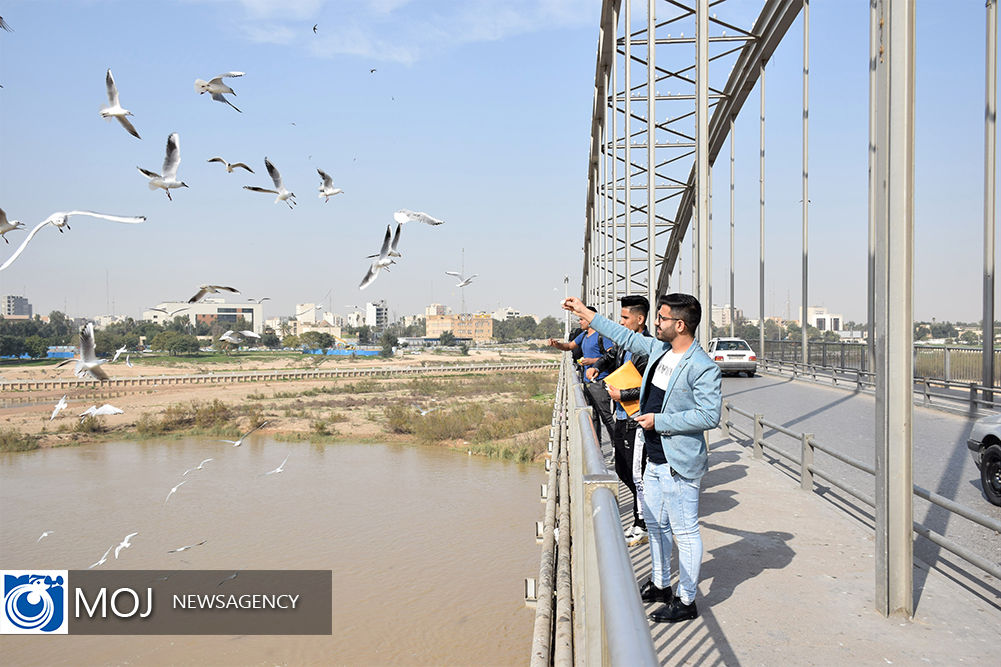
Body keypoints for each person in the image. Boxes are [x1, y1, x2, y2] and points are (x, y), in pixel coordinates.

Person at [562, 292, 721, 624]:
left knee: (685, 530)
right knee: (656, 524)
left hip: (678, 461)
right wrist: (585, 314)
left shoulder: (702, 367)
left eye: (662, 318)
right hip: (653, 454)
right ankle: (662, 584)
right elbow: (624, 336)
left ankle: (687, 600)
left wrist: (659, 422)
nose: (656, 322)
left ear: (679, 324)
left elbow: (709, 416)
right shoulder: (661, 351)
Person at [585, 295, 652, 543]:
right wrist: (597, 366)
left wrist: (622, 393)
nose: (621, 322)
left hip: (637, 418)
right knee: (623, 470)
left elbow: (647, 386)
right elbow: (611, 356)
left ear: (639, 319)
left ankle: (642, 523)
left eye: (625, 318)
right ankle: (646, 513)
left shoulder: (646, 347)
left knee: (636, 474)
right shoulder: (625, 343)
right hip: (622, 415)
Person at [548, 306, 615, 445]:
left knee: (605, 416)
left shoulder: (602, 335)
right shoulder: (584, 335)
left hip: (600, 381)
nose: (579, 322)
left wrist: (592, 361)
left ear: (590, 319)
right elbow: (569, 346)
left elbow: (612, 356)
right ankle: (597, 447)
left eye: (582, 319)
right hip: (586, 381)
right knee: (593, 416)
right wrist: (557, 344)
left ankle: (616, 446)